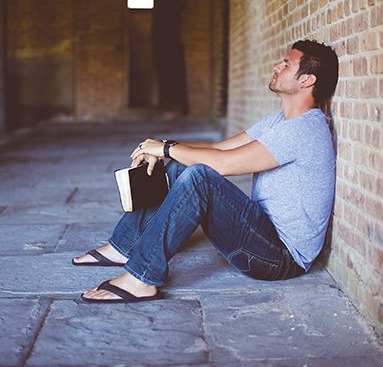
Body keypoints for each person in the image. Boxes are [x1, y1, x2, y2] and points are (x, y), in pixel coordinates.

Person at [73, 39, 339, 303]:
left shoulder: (305, 129)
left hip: (279, 257)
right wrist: (165, 147)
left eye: (286, 63)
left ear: (307, 80)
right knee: (182, 165)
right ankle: (124, 246)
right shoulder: (280, 120)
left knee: (199, 177)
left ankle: (142, 277)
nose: (276, 65)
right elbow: (218, 148)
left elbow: (224, 165)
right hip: (261, 232)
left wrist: (164, 149)